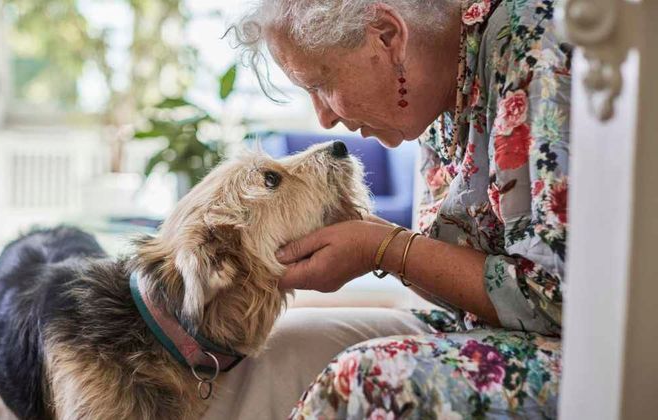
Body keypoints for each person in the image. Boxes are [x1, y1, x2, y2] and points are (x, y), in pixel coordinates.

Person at [204, 0, 570, 418]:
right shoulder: (438, 98)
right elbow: (462, 286)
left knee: (366, 379)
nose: (323, 118)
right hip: (491, 331)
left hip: (590, 353)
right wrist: (367, 236)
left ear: (387, 36)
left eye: (320, 84)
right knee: (275, 350)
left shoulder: (531, 47)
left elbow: (553, 300)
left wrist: (381, 248)